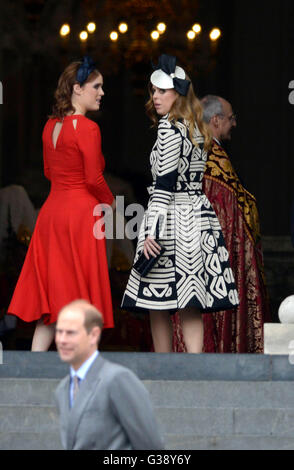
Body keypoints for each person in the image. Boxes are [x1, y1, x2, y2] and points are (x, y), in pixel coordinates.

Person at [121, 54, 239, 353]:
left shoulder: (168, 128)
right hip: (198, 216)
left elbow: (163, 186)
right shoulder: (197, 128)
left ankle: (164, 368)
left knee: (155, 301)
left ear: (178, 93)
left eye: (163, 91)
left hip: (172, 218)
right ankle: (194, 369)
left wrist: (150, 231)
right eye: (154, 90)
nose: (155, 96)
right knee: (190, 300)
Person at [7, 56, 115, 351]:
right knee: (80, 296)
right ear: (77, 89)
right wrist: (109, 202)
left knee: (54, 298)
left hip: (51, 213)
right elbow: (93, 178)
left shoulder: (49, 127)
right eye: (97, 86)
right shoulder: (88, 128)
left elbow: (48, 173)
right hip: (80, 214)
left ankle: (33, 367)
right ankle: (84, 371)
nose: (102, 92)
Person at [200, 95, 271, 353]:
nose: (234, 124)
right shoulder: (211, 157)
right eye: (231, 118)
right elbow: (227, 210)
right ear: (216, 120)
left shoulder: (202, 152)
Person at [54, 299, 164, 450]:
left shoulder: (117, 379)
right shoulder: (63, 388)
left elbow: (151, 447)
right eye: (59, 332)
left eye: (71, 333)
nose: (62, 340)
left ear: (93, 335)